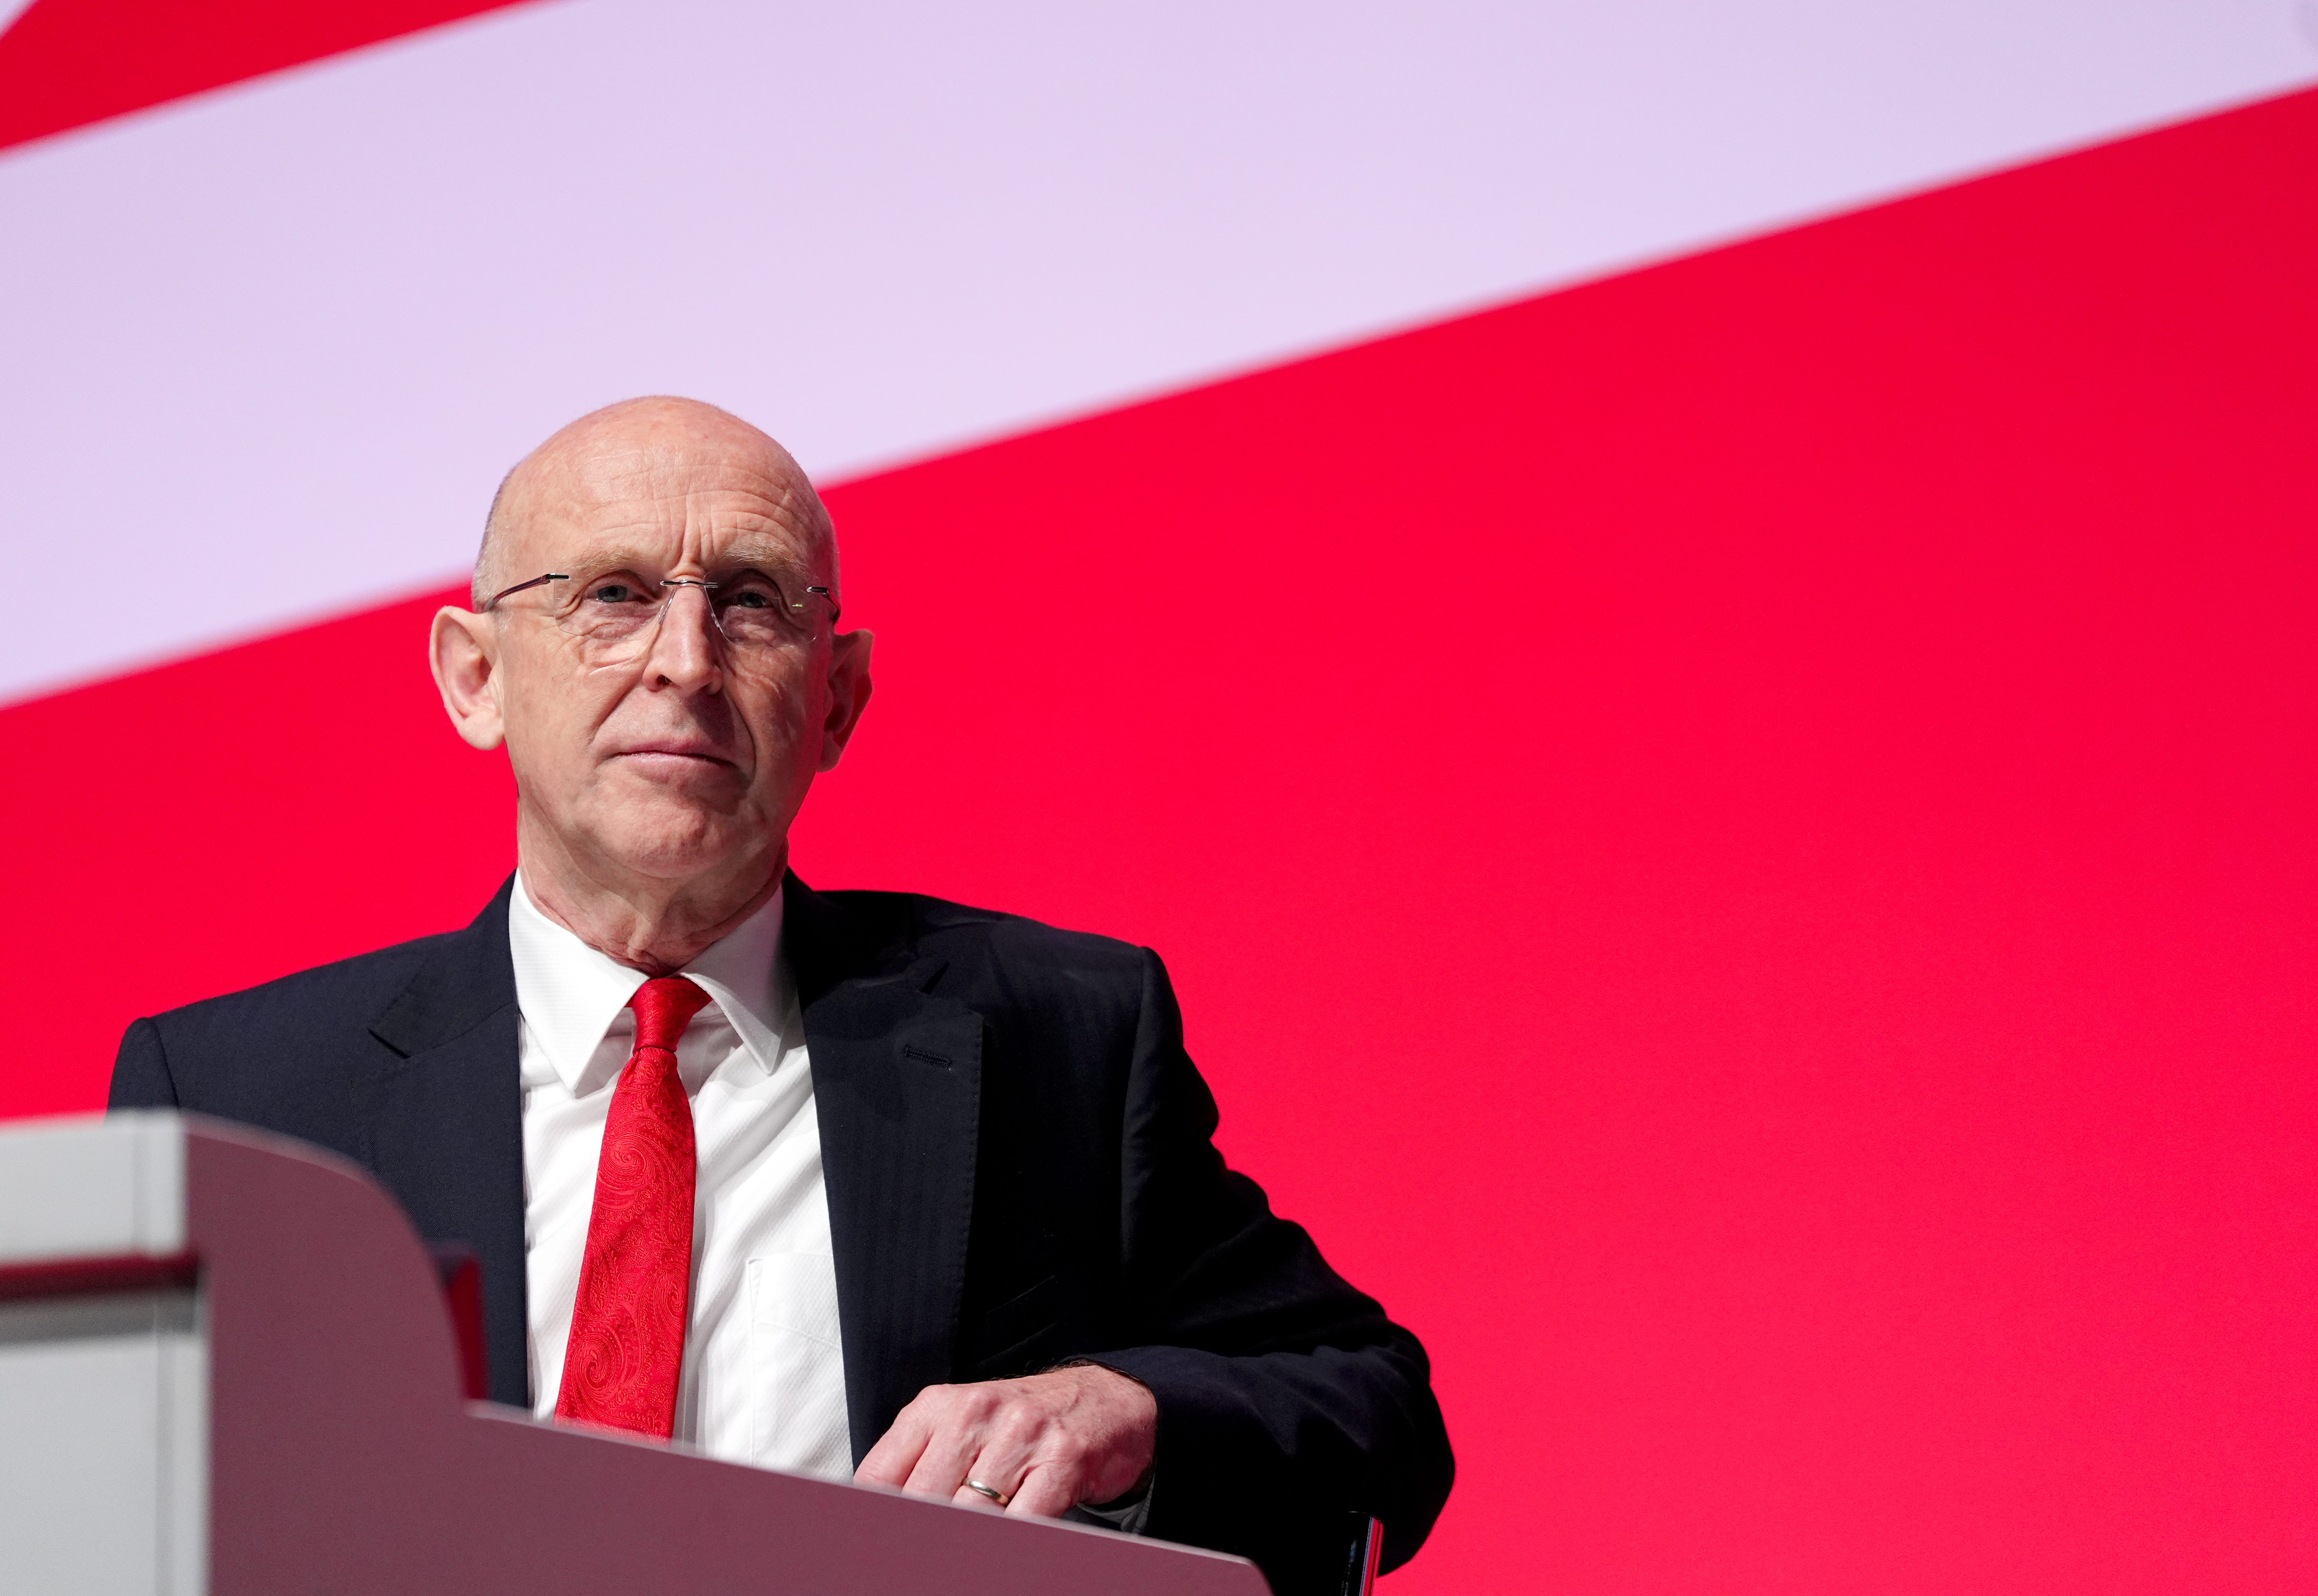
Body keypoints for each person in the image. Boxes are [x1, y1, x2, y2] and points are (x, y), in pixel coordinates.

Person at [109, 397, 1452, 1592]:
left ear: (840, 700)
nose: (687, 662)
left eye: (751, 601)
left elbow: (1373, 1412)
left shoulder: (1056, 1034)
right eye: (613, 595)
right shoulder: (240, 1101)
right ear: (475, 677)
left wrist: (1119, 1412)